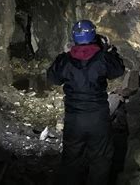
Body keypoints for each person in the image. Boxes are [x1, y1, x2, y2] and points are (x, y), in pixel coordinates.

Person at [47, 20, 125, 185]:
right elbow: (118, 70)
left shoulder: (65, 60)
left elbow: (52, 78)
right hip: (98, 117)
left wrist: (63, 55)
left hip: (74, 118)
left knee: (71, 160)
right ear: (93, 35)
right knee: (101, 159)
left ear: (74, 37)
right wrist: (110, 50)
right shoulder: (102, 58)